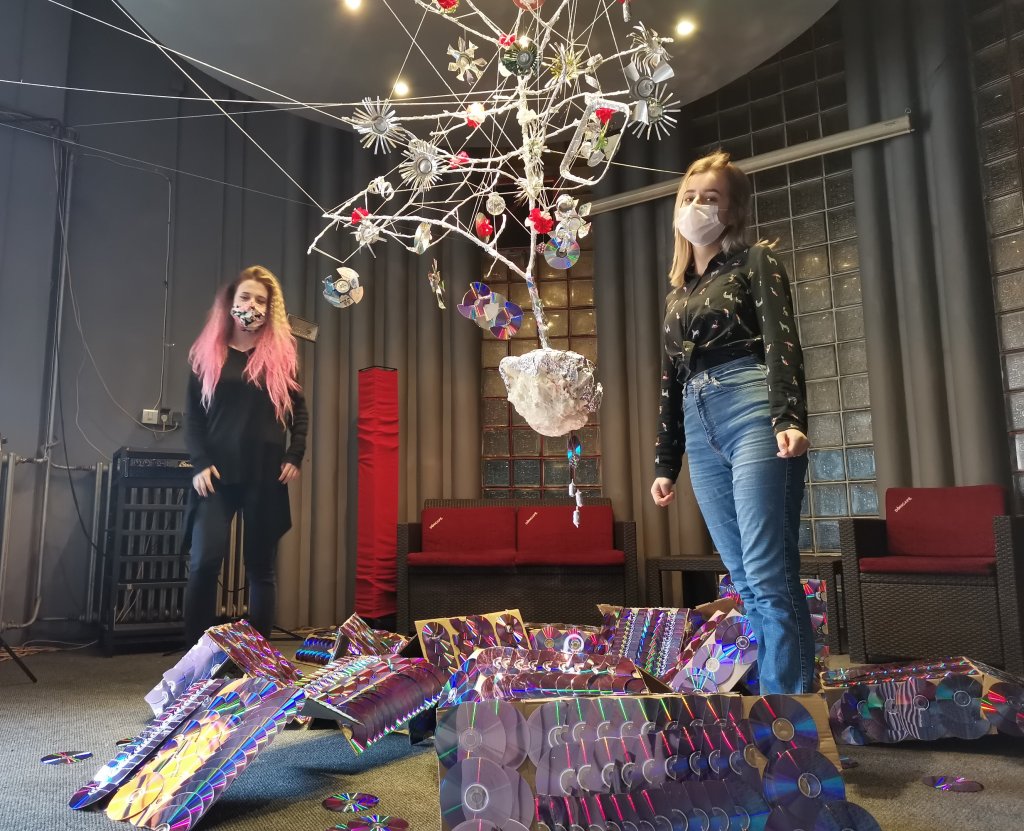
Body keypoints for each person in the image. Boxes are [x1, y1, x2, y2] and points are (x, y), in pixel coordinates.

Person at [650, 150, 814, 695]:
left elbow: (781, 340)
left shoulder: (756, 262)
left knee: (769, 574)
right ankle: (780, 706)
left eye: (710, 197)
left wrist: (788, 415)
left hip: (751, 409)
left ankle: (789, 715)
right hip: (699, 426)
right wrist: (666, 462)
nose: (696, 205)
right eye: (689, 196)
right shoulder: (678, 295)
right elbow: (670, 379)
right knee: (743, 579)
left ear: (733, 210)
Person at [184, 265, 308, 645]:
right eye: (245, 297)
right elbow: (193, 417)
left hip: (264, 473)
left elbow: (299, 412)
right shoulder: (208, 355)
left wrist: (295, 454)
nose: (251, 305)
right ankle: (197, 656)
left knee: (260, 569)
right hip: (217, 476)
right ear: (231, 302)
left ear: (269, 309)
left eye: (260, 300)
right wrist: (200, 463)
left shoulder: (280, 358)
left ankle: (258, 657)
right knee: (204, 562)